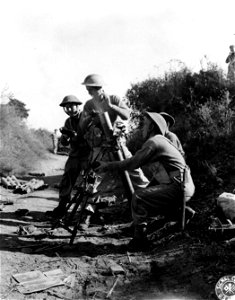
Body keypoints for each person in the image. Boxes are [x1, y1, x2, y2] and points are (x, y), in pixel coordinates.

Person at [96, 112, 195, 251]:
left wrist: (107, 166)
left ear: (152, 127)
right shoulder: (160, 140)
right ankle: (183, 213)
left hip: (179, 186)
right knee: (148, 197)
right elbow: (161, 173)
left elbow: (132, 163)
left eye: (145, 125)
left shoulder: (154, 142)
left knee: (139, 197)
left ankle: (140, 240)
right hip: (182, 184)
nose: (142, 128)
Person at [80, 74, 149, 190]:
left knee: (133, 171)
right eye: (88, 91)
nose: (89, 93)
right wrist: (89, 118)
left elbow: (126, 115)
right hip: (100, 147)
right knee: (94, 177)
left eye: (90, 91)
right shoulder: (88, 105)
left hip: (117, 144)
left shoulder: (114, 99)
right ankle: (89, 206)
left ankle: (149, 194)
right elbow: (82, 127)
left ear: (99, 89)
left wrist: (111, 106)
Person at [46, 95, 90, 218]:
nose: (69, 110)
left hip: (88, 154)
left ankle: (87, 213)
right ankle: (62, 207)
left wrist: (76, 135)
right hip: (75, 155)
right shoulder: (68, 122)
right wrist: (65, 136)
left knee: (89, 183)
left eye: (71, 107)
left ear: (77, 106)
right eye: (66, 108)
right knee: (66, 180)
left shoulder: (86, 118)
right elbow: (65, 143)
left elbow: (91, 138)